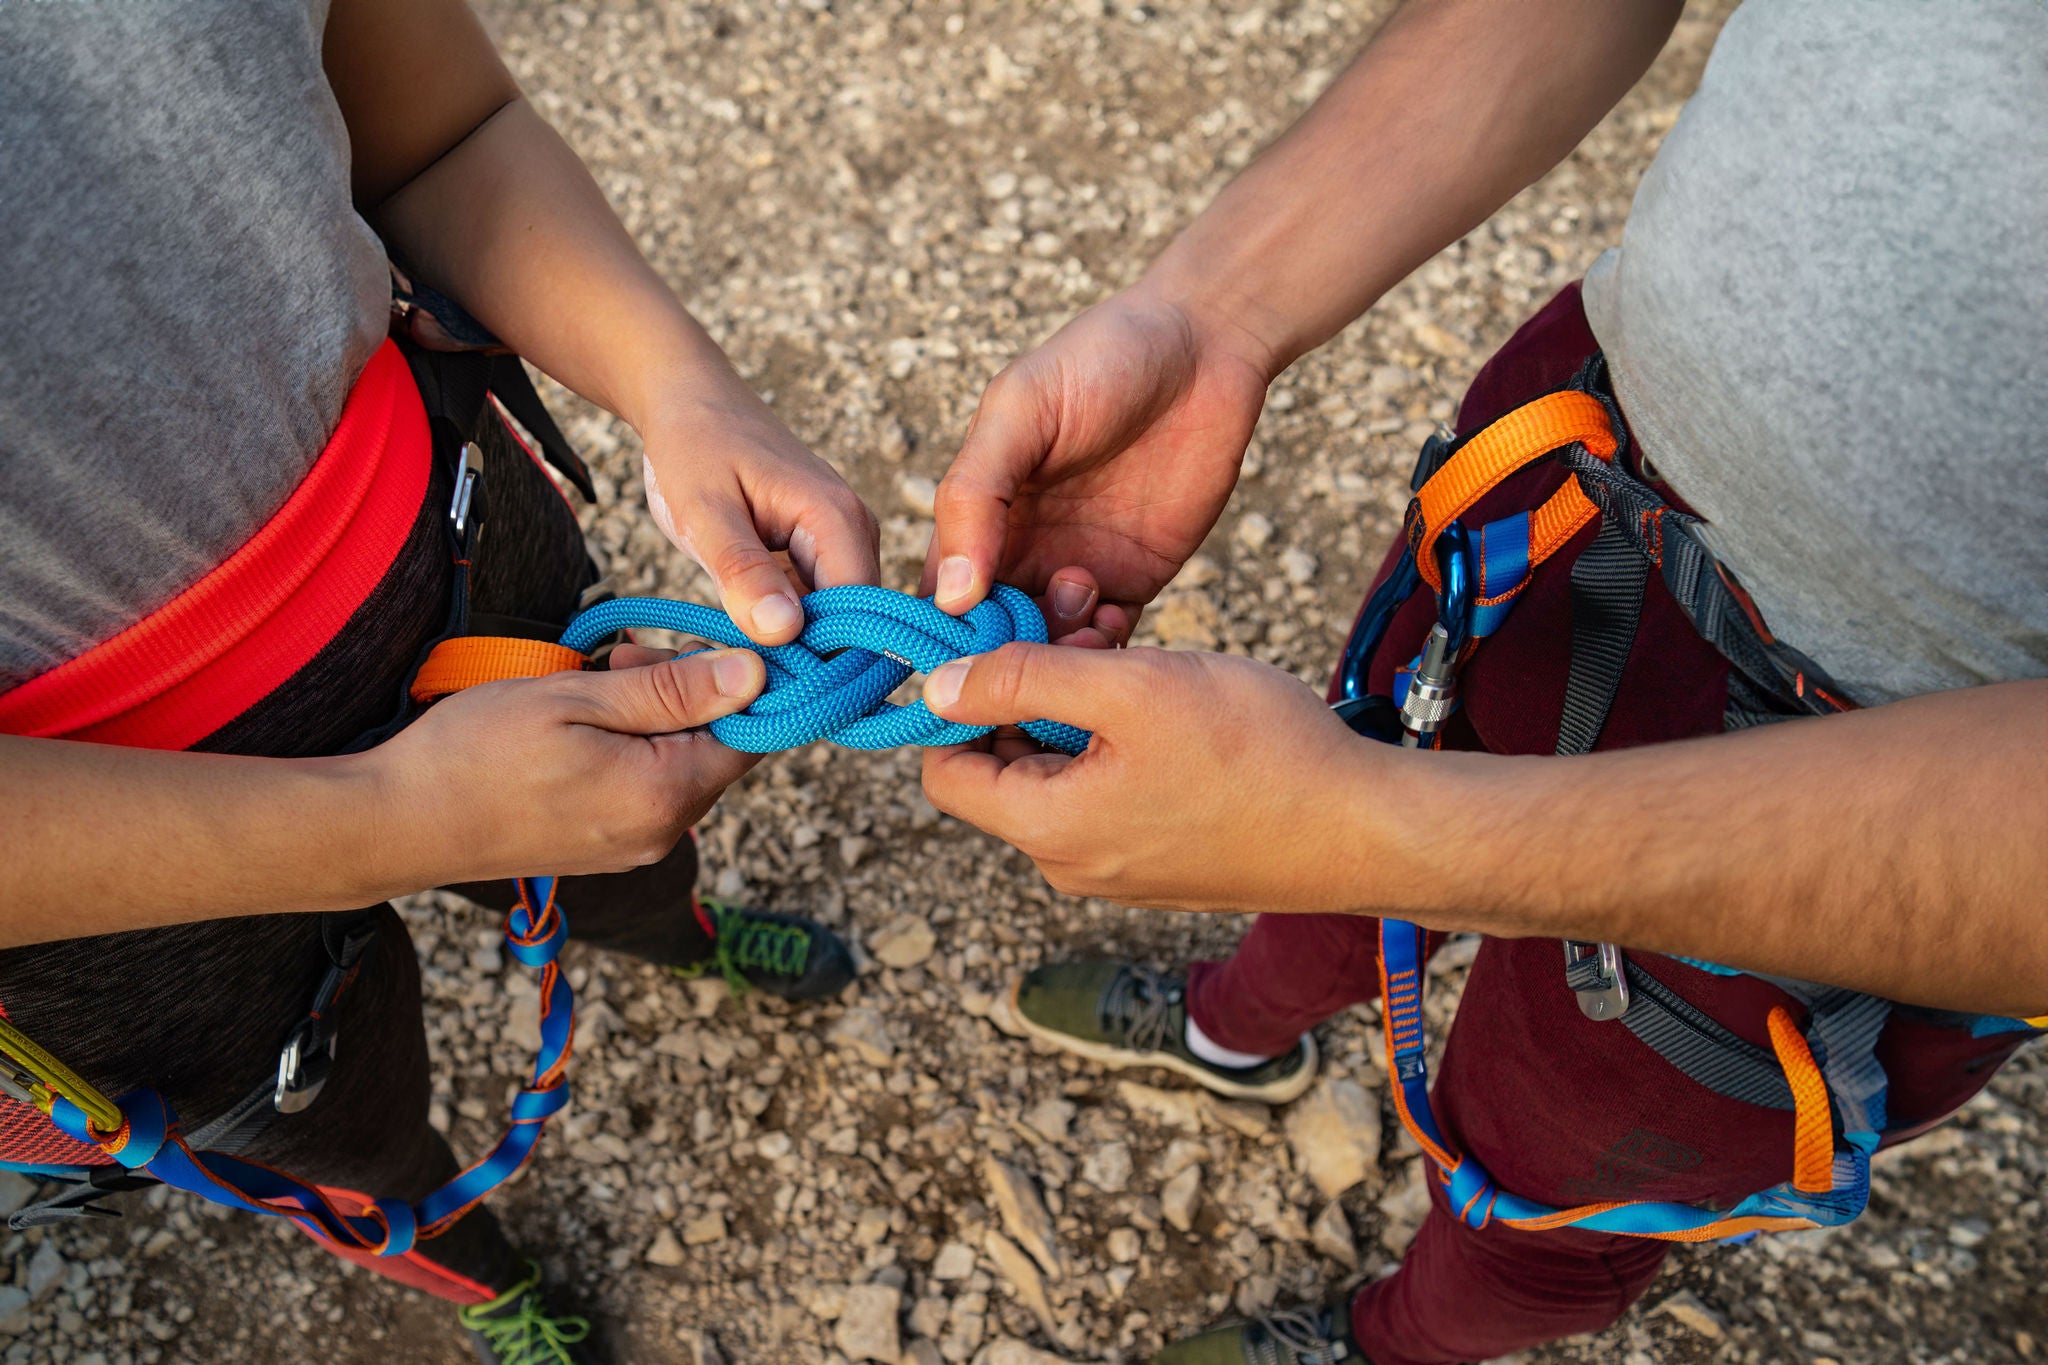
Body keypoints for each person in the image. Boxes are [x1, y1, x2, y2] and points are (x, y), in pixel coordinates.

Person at [913, 1, 2047, 1362]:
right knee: (1338, 799)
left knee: (1567, 1172)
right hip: (1560, 467)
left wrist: (1373, 821)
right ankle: (1235, 1029)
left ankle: (1392, 1341)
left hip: (1896, 802)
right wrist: (1209, 313)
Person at [0, 2, 879, 1359]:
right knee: (325, 1120)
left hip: (454, 539)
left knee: (625, 847)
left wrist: (687, 392)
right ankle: (468, 1265)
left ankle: (674, 932)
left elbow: (443, 130)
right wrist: (391, 826)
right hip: (99, 880)